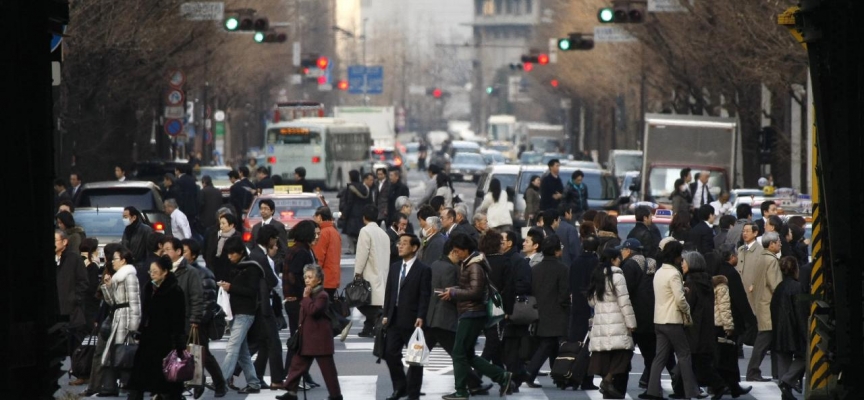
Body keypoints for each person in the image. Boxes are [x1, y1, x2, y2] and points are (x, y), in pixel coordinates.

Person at [438, 233, 514, 399]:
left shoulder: (474, 266)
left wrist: (453, 292)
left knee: (458, 353)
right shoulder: (470, 263)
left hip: (472, 313)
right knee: (468, 354)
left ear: (466, 250)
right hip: (471, 312)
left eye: (458, 250)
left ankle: (461, 391)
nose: (455, 253)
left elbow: (475, 291)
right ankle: (502, 376)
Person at [642, 240, 701, 400]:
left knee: (659, 357)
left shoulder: (660, 272)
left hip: (659, 319)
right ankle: (691, 391)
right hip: (673, 320)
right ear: (676, 256)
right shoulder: (674, 273)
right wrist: (687, 311)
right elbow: (680, 299)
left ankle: (652, 391)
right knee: (684, 354)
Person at [275, 265, 343, 400]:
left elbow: (313, 311)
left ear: (318, 280)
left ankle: (336, 396)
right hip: (307, 339)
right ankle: (291, 392)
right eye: (305, 277)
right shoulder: (310, 293)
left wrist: (305, 298)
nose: (307, 280)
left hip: (320, 341)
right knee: (296, 365)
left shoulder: (322, 295)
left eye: (310, 277)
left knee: (328, 372)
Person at [126, 256, 186, 400]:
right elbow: (145, 313)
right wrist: (139, 331)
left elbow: (178, 319)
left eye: (155, 271)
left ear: (165, 272)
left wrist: (178, 344)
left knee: (166, 378)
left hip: (165, 340)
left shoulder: (174, 290)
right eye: (150, 271)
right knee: (139, 376)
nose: (151, 273)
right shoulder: (149, 287)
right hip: (148, 337)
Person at [381, 234, 431, 400]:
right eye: (399, 243)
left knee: (415, 359)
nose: (399, 246)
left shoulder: (423, 269)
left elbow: (425, 295)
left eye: (404, 243)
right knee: (390, 353)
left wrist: (421, 315)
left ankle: (413, 394)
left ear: (414, 247)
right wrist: (385, 314)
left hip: (413, 320)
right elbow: (389, 292)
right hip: (394, 318)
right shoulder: (395, 267)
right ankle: (401, 386)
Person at [672, 251, 727, 398]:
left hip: (693, 328)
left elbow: (688, 305)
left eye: (685, 261)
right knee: (696, 362)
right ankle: (681, 390)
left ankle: (719, 385)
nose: (682, 264)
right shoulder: (706, 281)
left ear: (692, 264)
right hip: (705, 327)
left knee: (695, 362)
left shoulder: (691, 283)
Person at [587, 247, 637, 399]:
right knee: (624, 353)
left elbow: (591, 301)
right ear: (614, 260)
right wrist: (631, 323)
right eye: (619, 258)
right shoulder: (617, 276)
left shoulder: (597, 275)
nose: (620, 260)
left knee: (606, 356)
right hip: (617, 321)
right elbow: (624, 302)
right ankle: (608, 380)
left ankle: (607, 382)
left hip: (601, 321)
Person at [181, 239, 228, 398]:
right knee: (188, 354)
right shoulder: (181, 271)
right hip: (185, 319)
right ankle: (196, 385)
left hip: (198, 321)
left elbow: (208, 301)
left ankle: (220, 384)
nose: (181, 253)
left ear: (193, 255)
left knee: (203, 354)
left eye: (185, 251)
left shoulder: (203, 273)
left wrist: (197, 320)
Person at [217, 237, 264, 394]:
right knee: (243, 353)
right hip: (236, 312)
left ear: (241, 252)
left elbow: (252, 292)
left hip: (246, 313)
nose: (230, 257)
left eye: (232, 254)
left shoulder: (252, 268)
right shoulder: (237, 266)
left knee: (232, 347)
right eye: (228, 254)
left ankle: (221, 381)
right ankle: (254, 383)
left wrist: (231, 287)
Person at [525, 235, 571, 387]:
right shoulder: (562, 269)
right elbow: (564, 294)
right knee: (548, 345)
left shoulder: (535, 269)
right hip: (557, 312)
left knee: (551, 345)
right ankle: (530, 373)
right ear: (557, 251)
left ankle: (558, 376)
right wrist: (566, 306)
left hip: (539, 311)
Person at [98, 246, 141, 396]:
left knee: (124, 353)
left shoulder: (129, 276)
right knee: (115, 352)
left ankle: (127, 385)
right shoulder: (117, 277)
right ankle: (113, 386)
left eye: (115, 259)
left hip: (126, 319)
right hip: (118, 317)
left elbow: (135, 302)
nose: (112, 262)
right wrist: (107, 286)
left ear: (123, 260)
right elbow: (112, 302)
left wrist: (133, 326)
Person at [281, 220, 320, 388]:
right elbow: (294, 275)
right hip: (297, 302)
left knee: (302, 339)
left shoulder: (299, 249)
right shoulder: (302, 252)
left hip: (296, 301)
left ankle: (302, 374)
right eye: (314, 233)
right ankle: (291, 375)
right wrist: (305, 293)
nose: (316, 236)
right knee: (299, 340)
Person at [713, 246, 755, 397]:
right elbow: (740, 298)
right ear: (731, 257)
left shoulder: (716, 270)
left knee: (722, 354)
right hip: (730, 319)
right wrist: (751, 319)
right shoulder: (731, 273)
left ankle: (726, 385)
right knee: (730, 355)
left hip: (717, 320)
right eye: (736, 255)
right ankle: (731, 386)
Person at [744, 231, 782, 382]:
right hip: (769, 306)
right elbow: (775, 285)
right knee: (763, 342)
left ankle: (775, 372)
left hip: (761, 303)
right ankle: (753, 372)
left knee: (768, 342)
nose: (780, 244)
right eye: (778, 242)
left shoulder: (761, 258)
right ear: (771, 244)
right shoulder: (772, 261)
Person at [771, 257, 808, 400]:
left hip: (779, 330)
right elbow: (801, 312)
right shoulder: (797, 287)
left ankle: (785, 391)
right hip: (793, 330)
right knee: (804, 357)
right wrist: (805, 334)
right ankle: (787, 382)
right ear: (795, 269)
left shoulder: (779, 288)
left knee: (783, 361)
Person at [353, 205, 391, 337]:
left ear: (364, 218)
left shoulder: (365, 231)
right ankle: (368, 328)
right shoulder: (384, 234)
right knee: (373, 303)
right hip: (382, 272)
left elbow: (362, 254)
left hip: (369, 272)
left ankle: (378, 319)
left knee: (359, 302)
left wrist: (357, 273)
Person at [55, 229, 89, 359]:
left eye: (55, 240)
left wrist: (75, 299)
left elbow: (83, 281)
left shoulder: (74, 258)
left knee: (74, 344)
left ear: (64, 242)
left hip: (71, 310)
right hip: (56, 310)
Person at [312, 206, 342, 298]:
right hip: (333, 276)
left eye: (315, 216)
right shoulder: (334, 231)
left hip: (325, 278)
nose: (313, 218)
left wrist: (313, 277)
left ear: (320, 217)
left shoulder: (323, 233)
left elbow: (319, 257)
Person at [251, 198, 289, 268]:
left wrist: (276, 262)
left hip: (274, 263)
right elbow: (252, 245)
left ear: (272, 211)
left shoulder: (278, 226)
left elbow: (283, 248)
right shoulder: (255, 227)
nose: (263, 211)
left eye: (266, 209)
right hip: (258, 263)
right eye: (261, 208)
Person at [205, 213, 242, 283]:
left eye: (223, 223)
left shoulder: (237, 237)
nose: (221, 226)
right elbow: (208, 251)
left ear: (231, 225)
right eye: (220, 223)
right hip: (216, 271)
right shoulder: (216, 235)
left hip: (230, 272)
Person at [343, 170, 372, 252]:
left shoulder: (351, 188)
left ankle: (352, 249)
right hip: (362, 212)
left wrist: (345, 213)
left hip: (352, 213)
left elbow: (349, 201)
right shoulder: (363, 187)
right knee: (360, 231)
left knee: (350, 232)